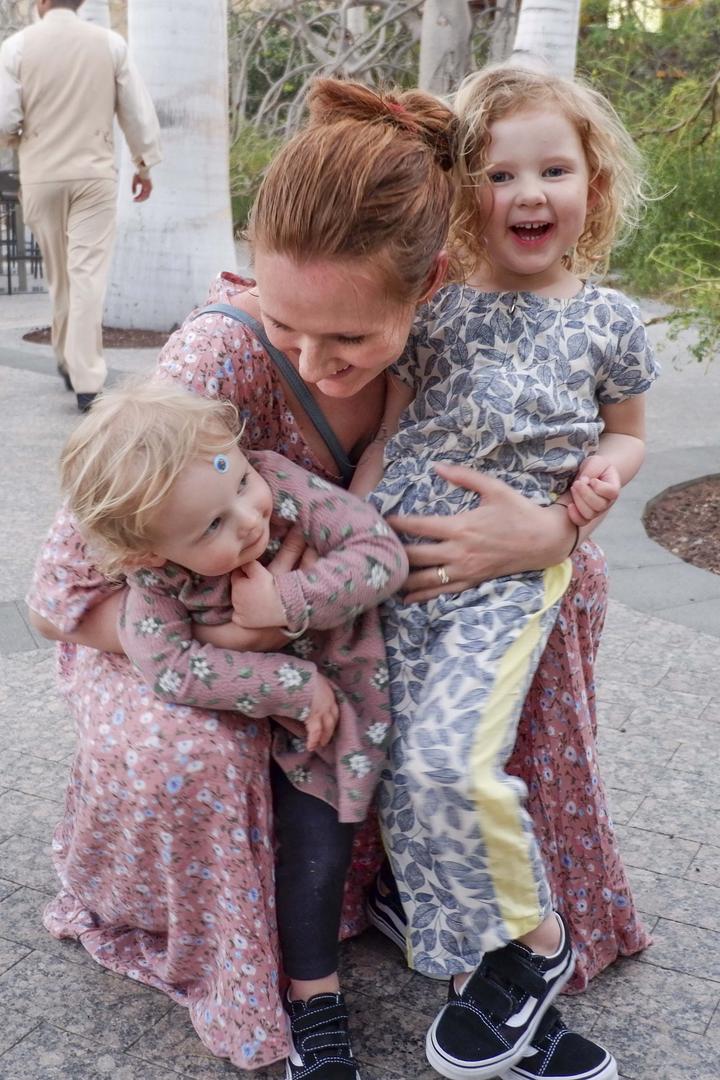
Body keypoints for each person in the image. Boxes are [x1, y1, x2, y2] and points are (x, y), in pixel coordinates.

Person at [27, 78, 647, 1077]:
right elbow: (60, 599)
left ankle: (468, 921)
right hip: (188, 640)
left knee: (557, 595)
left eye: (352, 337)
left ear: (429, 286)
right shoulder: (215, 364)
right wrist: (244, 640)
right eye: (288, 325)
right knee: (196, 758)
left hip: (369, 622)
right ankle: (283, 967)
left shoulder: (458, 337)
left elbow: (579, 448)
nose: (315, 362)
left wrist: (550, 536)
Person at [349, 64, 657, 1080]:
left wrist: (603, 478)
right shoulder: (435, 304)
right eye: (499, 173)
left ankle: (537, 943)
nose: (529, 193)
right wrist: (355, 532)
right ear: (464, 191)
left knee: (453, 763)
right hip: (403, 575)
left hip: (507, 581)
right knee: (405, 770)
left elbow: (627, 432)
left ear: (592, 185)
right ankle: (475, 973)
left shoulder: (607, 319)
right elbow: (391, 432)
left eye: (554, 170)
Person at [57, 378, 408, 1075]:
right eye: (211, 528)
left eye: (241, 483)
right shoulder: (156, 583)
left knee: (314, 848)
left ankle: (314, 995)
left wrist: (289, 599)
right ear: (149, 553)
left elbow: (380, 553)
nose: (248, 519)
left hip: (327, 731)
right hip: (265, 718)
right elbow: (169, 667)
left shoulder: (279, 483)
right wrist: (288, 683)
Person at [0, 0, 161, 412]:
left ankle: (66, 358)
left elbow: (4, 119)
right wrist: (143, 164)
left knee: (60, 275)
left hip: (41, 176)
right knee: (86, 274)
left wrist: (20, 140)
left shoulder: (17, 47)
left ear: (41, 3)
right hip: (93, 175)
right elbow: (137, 112)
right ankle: (87, 379)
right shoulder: (109, 44)